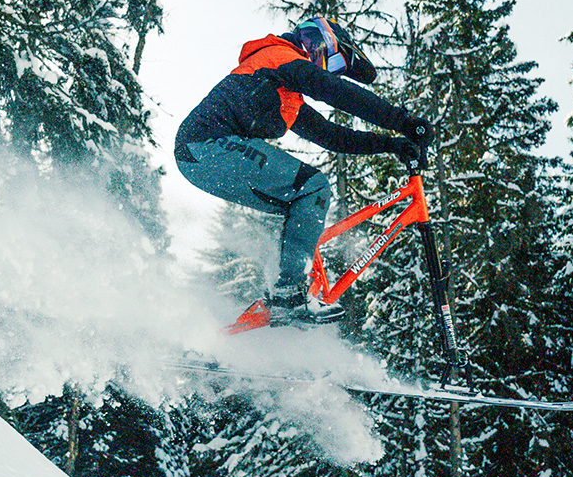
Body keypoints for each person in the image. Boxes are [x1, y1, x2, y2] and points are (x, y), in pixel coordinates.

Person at [174, 16, 432, 324]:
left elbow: (332, 136)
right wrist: (402, 121)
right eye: (331, 62)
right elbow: (333, 90)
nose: (326, 69)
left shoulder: (287, 95)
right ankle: (287, 293)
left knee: (304, 200)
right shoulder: (277, 55)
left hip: (204, 157)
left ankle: (270, 312)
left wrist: (391, 144)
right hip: (205, 145)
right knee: (314, 186)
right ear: (320, 42)